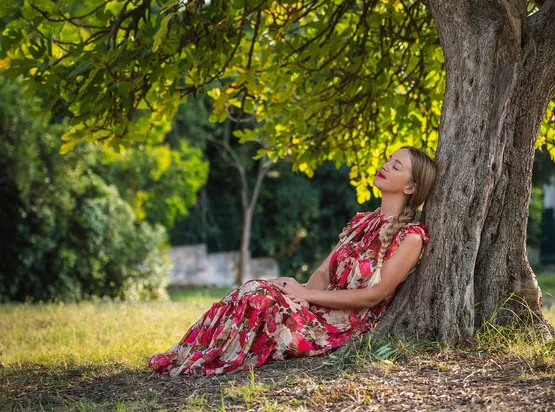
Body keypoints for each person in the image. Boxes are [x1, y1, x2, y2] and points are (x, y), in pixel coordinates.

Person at [147, 145, 436, 377]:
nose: (385, 165)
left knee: (258, 298)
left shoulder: (410, 237)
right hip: (318, 310)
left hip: (340, 327)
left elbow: (373, 296)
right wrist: (301, 298)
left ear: (410, 187)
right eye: (388, 159)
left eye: (396, 166)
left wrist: (306, 294)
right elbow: (324, 271)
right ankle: (187, 355)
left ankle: (204, 362)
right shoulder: (362, 222)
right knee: (255, 288)